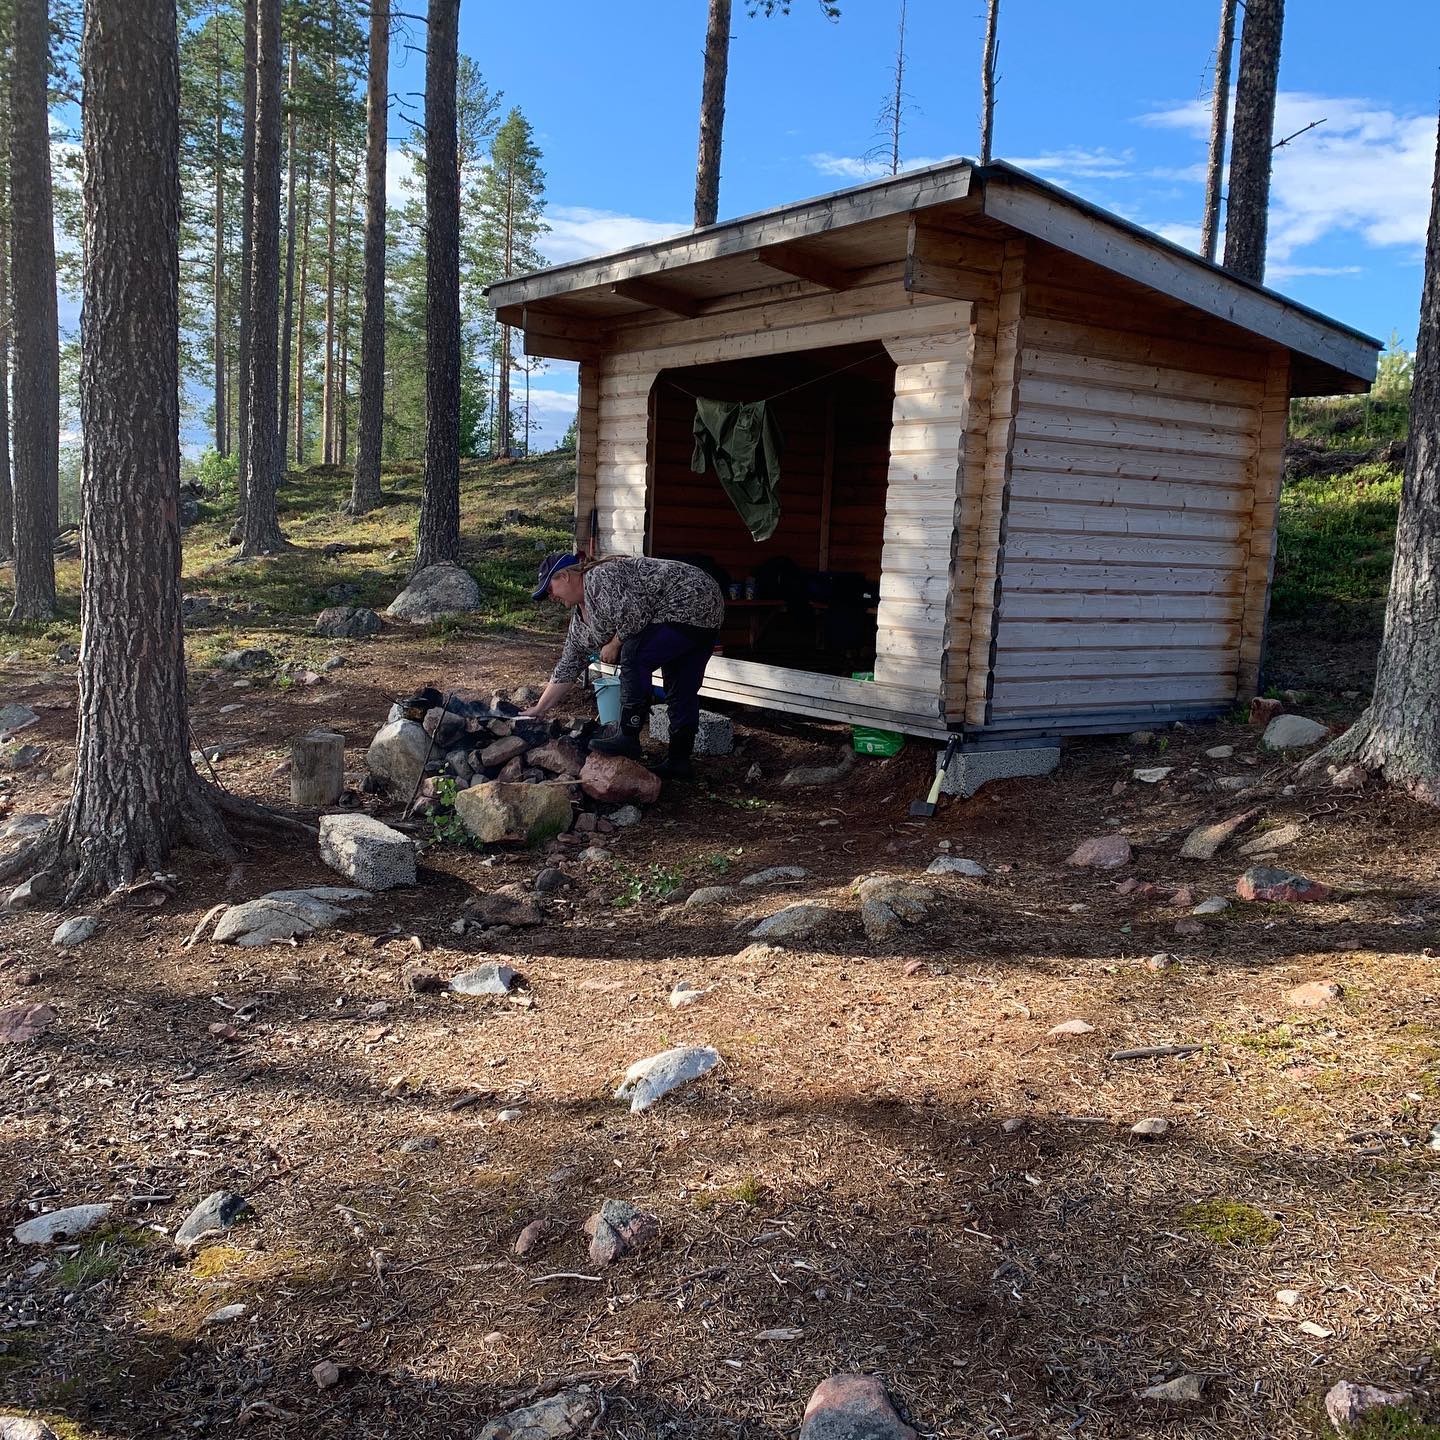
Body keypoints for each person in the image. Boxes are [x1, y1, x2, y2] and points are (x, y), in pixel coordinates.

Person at [522, 552, 724, 780]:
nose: (551, 597)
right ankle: (679, 761)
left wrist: (614, 644)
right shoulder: (580, 622)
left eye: (549, 589)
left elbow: (637, 614)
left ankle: (628, 735)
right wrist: (540, 708)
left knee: (634, 654)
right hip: (706, 610)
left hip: (689, 598)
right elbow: (569, 664)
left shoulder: (599, 578)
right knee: (680, 687)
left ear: (566, 576)